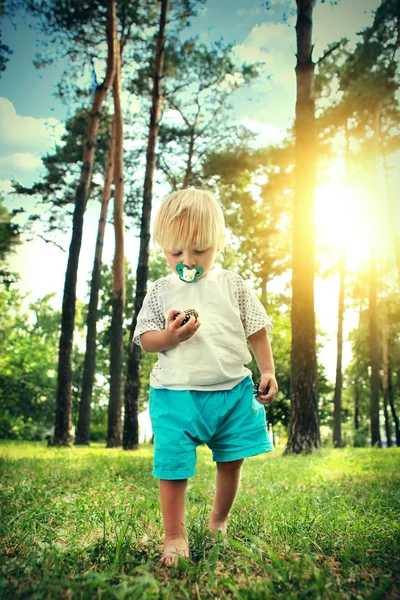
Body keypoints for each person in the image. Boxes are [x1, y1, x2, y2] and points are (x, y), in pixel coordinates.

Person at [133, 188, 278, 566]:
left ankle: (218, 522)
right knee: (173, 466)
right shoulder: (161, 291)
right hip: (175, 395)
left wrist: (267, 370)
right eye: (176, 252)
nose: (188, 261)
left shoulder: (233, 285)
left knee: (232, 460)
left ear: (219, 242)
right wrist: (170, 337)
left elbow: (257, 329)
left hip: (231, 391)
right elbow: (146, 339)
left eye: (199, 251)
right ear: (162, 246)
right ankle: (174, 536)